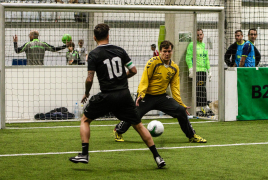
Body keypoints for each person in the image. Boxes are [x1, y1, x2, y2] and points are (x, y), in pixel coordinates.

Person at [69, 23, 166, 168]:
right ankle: (158, 157)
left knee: (85, 120)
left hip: (107, 96)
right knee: (138, 125)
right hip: (124, 95)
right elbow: (133, 70)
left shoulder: (93, 54)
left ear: (94, 37)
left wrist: (87, 93)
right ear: (108, 36)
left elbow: (89, 78)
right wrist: (121, 78)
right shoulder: (120, 51)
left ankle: (84, 154)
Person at [113, 40, 207, 143]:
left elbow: (175, 87)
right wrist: (141, 94)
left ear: (172, 52)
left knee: (180, 111)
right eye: (164, 51)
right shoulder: (152, 62)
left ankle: (192, 136)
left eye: (169, 51)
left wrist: (180, 103)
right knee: (133, 115)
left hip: (161, 97)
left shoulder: (174, 68)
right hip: (146, 97)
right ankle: (118, 130)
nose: (167, 54)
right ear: (160, 52)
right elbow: (144, 80)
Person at [186, 29, 212, 117]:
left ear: (203, 35)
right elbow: (188, 57)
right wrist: (190, 68)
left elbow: (206, 59)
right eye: (197, 35)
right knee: (198, 89)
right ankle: (197, 108)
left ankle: (205, 106)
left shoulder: (204, 45)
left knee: (203, 88)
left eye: (201, 34)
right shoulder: (192, 45)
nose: (199, 36)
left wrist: (209, 70)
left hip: (203, 71)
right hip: (196, 71)